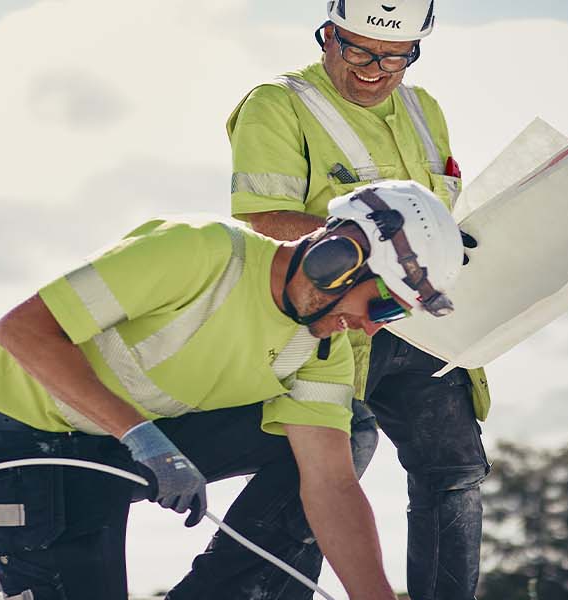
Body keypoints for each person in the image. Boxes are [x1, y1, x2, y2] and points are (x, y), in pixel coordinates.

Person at [0, 181, 467, 600]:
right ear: (340, 257)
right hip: (15, 438)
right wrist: (144, 439)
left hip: (118, 443)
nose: (372, 326)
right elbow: (21, 331)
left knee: (347, 434)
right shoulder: (197, 252)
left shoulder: (326, 342)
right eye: (380, 303)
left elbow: (329, 485)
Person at [194, 1, 491, 598]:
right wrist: (390, 247)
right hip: (335, 325)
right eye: (358, 50)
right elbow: (263, 222)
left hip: (421, 323)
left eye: (394, 57)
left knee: (455, 472)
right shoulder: (277, 104)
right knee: (329, 466)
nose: (373, 70)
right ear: (328, 34)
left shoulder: (423, 108)